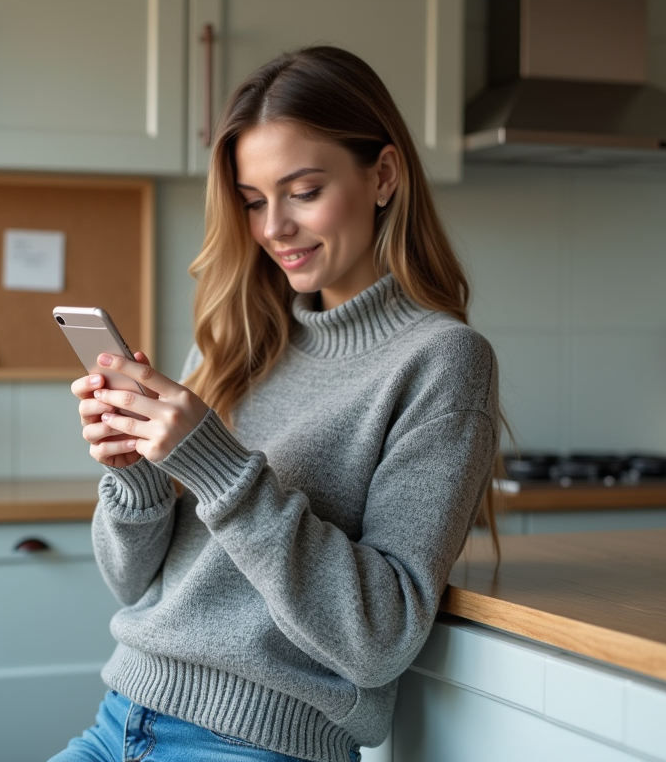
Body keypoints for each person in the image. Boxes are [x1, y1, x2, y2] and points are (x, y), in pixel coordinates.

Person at [53, 46, 501, 762]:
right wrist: (137, 473)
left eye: (303, 190)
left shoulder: (441, 362)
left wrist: (219, 469)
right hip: (120, 719)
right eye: (255, 200)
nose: (274, 229)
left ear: (383, 175)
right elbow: (132, 583)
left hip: (257, 743)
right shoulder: (235, 340)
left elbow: (381, 637)